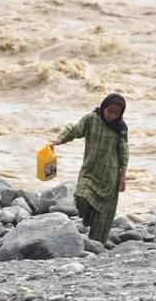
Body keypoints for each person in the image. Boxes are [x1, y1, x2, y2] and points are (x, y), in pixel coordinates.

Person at [52, 94, 129, 244]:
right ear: (103, 107)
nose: (112, 116)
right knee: (81, 197)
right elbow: (74, 130)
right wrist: (59, 140)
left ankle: (96, 248)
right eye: (110, 111)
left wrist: (123, 176)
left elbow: (124, 153)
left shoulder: (121, 129)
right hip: (89, 171)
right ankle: (88, 217)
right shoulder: (91, 119)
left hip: (109, 177)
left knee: (102, 220)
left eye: (116, 114)